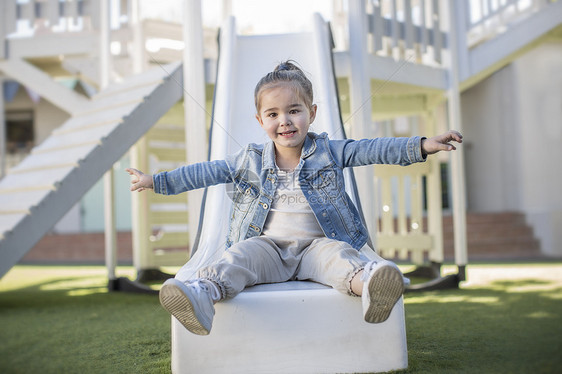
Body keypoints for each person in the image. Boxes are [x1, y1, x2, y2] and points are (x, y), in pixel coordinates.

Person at [127, 60, 462, 336]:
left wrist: (420, 145)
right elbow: (206, 172)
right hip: (268, 248)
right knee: (238, 257)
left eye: (294, 111)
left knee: (341, 258)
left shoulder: (329, 151)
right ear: (260, 121)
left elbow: (371, 149)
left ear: (311, 113)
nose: (284, 121)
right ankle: (201, 296)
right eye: (272, 114)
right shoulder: (251, 160)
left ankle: (373, 286)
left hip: (318, 246)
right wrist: (156, 180)